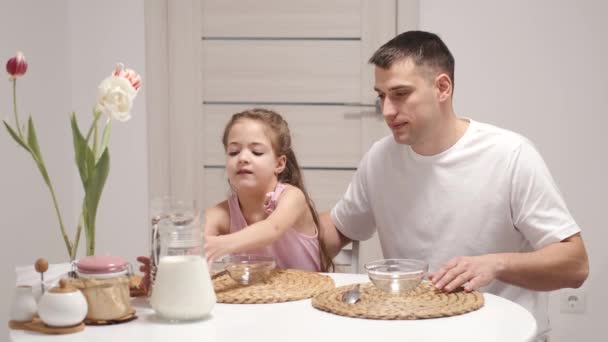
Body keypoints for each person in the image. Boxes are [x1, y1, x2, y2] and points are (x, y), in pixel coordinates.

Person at [319, 30, 588, 340]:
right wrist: (277, 227)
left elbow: (576, 264)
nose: (387, 111)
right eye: (381, 96)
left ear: (442, 88)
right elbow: (340, 227)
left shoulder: (511, 155)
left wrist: (496, 264)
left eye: (400, 94)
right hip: (413, 330)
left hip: (505, 333)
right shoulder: (380, 158)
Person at [203, 108, 333, 272]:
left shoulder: (292, 197)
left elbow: (273, 228)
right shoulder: (223, 213)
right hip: (256, 296)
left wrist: (221, 244)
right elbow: (196, 238)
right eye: (233, 152)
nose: (242, 158)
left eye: (256, 152)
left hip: (307, 296)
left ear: (279, 164)